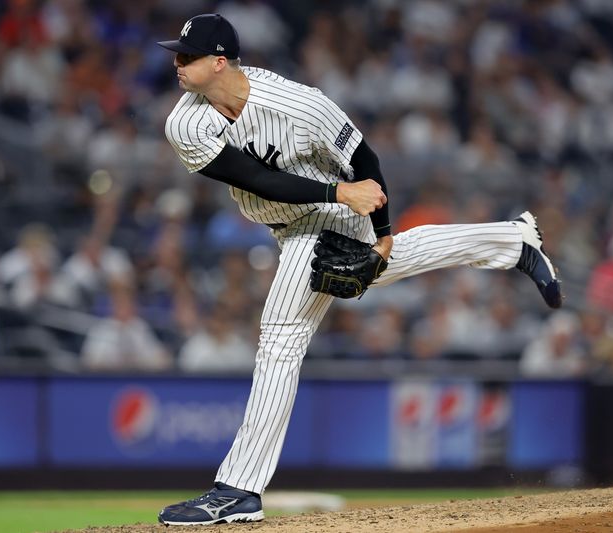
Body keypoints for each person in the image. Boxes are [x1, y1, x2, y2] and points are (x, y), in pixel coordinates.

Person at [155, 14, 562, 525]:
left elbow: (364, 160)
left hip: (336, 215)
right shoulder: (185, 122)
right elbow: (256, 179)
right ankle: (512, 239)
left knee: (281, 335)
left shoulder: (299, 104)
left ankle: (239, 487)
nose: (176, 62)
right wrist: (362, 219)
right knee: (393, 263)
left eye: (186, 55)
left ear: (219, 62)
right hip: (300, 217)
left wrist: (382, 230)